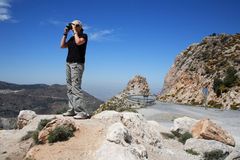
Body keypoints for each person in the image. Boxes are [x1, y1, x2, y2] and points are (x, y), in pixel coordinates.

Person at [60, 20, 89, 119]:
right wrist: (65, 33)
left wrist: (75, 31)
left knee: (76, 87)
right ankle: (71, 110)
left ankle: (82, 112)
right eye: (73, 25)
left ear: (80, 27)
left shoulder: (84, 36)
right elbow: (62, 46)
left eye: (76, 25)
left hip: (77, 64)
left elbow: (78, 42)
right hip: (68, 63)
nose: (74, 27)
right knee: (69, 88)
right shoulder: (72, 38)